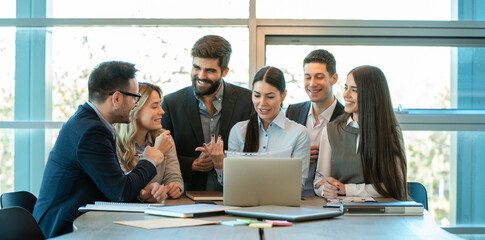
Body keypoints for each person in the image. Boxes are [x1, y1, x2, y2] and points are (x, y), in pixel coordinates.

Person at [33, 61, 167, 238]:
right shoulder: (91, 131)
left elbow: (112, 186)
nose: (135, 104)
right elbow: (120, 193)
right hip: (64, 230)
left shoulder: (89, 122)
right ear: (117, 98)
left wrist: (141, 194)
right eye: (135, 97)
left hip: (80, 223)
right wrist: (148, 160)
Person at [161, 35, 253, 191]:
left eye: (209, 70)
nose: (201, 76)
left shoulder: (247, 100)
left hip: (237, 190)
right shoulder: (171, 103)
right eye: (197, 68)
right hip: (187, 194)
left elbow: (255, 151)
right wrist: (192, 164)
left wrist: (222, 161)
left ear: (225, 71)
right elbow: (161, 153)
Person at [198, 66, 310, 188]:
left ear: (283, 95)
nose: (262, 103)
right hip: (243, 205)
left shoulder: (299, 134)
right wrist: (219, 163)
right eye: (257, 95)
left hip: (280, 205)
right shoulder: (238, 131)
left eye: (270, 96)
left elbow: (298, 185)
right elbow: (230, 184)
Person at [314, 65, 407, 200]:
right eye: (346, 88)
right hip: (340, 213)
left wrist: (347, 189)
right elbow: (319, 180)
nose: (346, 94)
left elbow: (394, 185)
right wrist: (325, 189)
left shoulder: (391, 133)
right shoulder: (330, 130)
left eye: (354, 90)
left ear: (371, 95)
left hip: (382, 215)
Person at [286, 49, 345, 196]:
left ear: (334, 78)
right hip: (292, 196)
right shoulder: (292, 112)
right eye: (307, 77)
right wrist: (298, 155)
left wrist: (324, 155)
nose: (312, 84)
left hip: (329, 199)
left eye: (319, 77)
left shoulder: (347, 118)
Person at [115, 82, 184, 199]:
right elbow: (122, 187)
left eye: (160, 105)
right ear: (135, 110)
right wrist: (158, 151)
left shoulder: (164, 138)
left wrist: (173, 187)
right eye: (154, 106)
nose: (162, 111)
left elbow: (174, 178)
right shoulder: (113, 141)